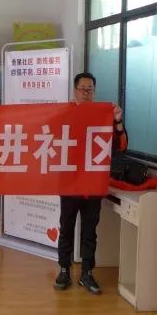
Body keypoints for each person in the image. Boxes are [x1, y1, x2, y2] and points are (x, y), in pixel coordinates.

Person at [54, 72, 127, 295]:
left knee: (89, 232)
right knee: (66, 229)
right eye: (82, 89)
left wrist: (117, 121)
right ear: (74, 90)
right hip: (69, 183)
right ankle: (64, 270)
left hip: (93, 185)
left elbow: (121, 146)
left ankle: (87, 273)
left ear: (94, 91)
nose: (86, 93)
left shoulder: (102, 115)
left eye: (90, 89)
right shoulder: (64, 113)